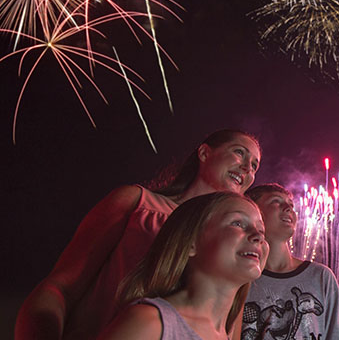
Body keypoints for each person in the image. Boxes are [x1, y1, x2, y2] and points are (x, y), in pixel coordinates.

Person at [15, 129, 262, 340]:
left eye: (254, 165)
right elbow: (59, 288)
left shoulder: (234, 249)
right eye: (239, 152)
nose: (247, 168)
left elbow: (228, 329)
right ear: (204, 153)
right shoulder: (136, 204)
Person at [98, 192, 269, 340]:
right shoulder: (150, 323)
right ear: (191, 243)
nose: (258, 237)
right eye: (238, 223)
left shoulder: (225, 335)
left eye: (261, 231)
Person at [236, 183, 339, 340]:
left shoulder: (320, 276)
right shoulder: (240, 279)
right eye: (276, 201)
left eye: (291, 205)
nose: (288, 208)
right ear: (253, 212)